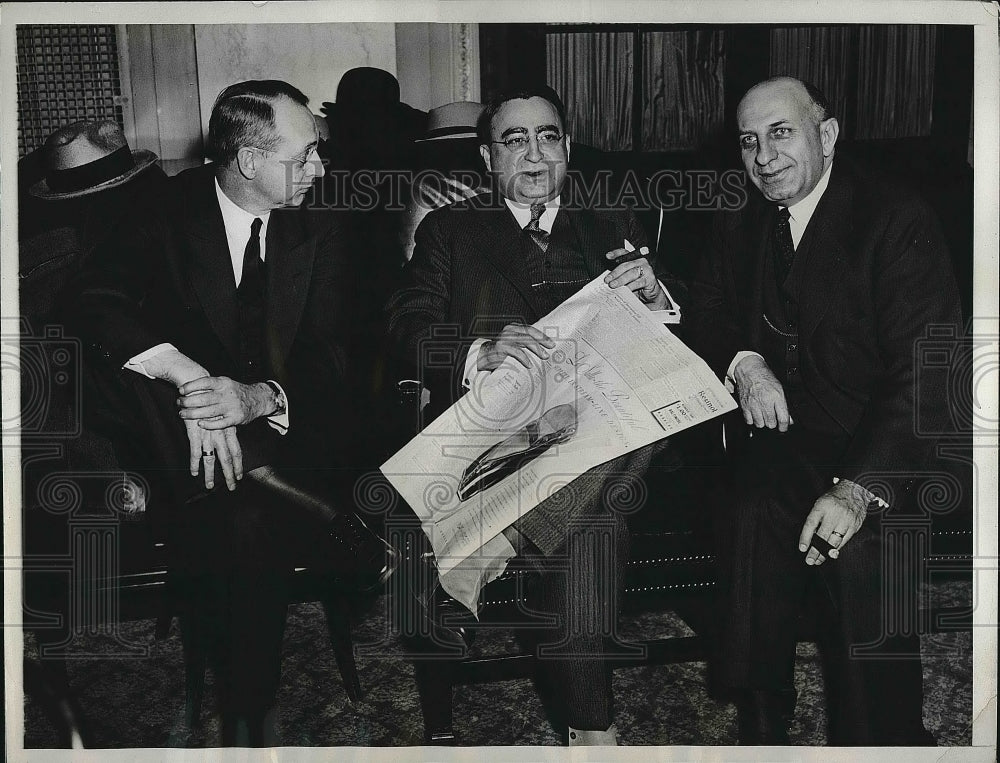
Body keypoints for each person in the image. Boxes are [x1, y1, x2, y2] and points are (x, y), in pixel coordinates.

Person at [64, 80, 394, 746]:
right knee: (134, 383)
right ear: (248, 162)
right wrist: (192, 383)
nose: (319, 170)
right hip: (175, 443)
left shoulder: (326, 220)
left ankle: (251, 713)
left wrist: (257, 396)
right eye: (303, 157)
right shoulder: (162, 209)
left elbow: (337, 352)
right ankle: (327, 522)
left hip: (277, 433)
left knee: (243, 517)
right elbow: (87, 302)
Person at [386, 85, 678, 746]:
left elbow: (681, 339)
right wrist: (475, 350)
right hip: (512, 441)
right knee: (591, 523)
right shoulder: (449, 231)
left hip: (619, 434)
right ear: (488, 158)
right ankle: (591, 730)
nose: (535, 154)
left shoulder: (614, 219)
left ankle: (495, 541)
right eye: (515, 140)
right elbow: (405, 327)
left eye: (548, 136)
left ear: (568, 148)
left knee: (627, 424)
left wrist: (658, 295)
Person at [687, 76, 962, 745]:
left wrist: (860, 486)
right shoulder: (740, 216)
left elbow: (929, 370)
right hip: (789, 441)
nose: (763, 156)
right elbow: (707, 311)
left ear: (827, 135)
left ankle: (885, 738)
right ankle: (761, 721)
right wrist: (745, 360)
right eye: (749, 141)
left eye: (781, 133)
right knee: (747, 509)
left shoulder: (895, 218)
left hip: (885, 447)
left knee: (864, 548)